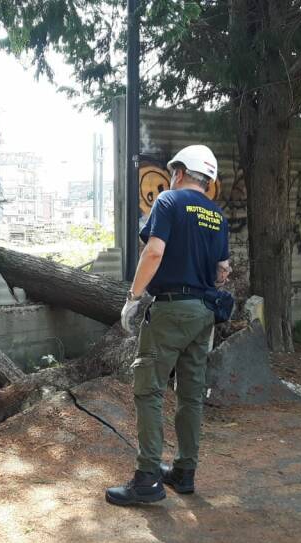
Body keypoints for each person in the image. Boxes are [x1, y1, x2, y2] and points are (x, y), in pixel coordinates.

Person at [106, 144, 231, 506]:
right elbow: (222, 271)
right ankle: (184, 472)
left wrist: (133, 296)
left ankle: (146, 479)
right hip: (205, 313)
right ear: (207, 180)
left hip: (172, 310)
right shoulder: (217, 215)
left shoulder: (169, 202)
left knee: (149, 389)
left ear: (178, 171)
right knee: (191, 394)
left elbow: (154, 251)